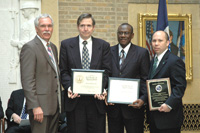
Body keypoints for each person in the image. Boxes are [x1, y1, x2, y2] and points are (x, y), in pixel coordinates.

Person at [59, 13, 111, 133]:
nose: (85, 28)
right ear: (77, 27)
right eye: (82, 25)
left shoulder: (103, 46)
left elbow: (107, 71)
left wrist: (101, 88)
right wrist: (69, 87)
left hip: (96, 101)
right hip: (75, 100)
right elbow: (63, 71)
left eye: (88, 25)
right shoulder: (66, 45)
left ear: (93, 27)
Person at [20, 14, 62, 133]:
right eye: (43, 26)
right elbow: (28, 80)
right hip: (40, 109)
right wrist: (35, 106)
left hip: (54, 107)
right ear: (36, 28)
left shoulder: (53, 48)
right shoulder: (30, 48)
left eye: (49, 26)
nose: (47, 29)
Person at [106, 23, 150, 133]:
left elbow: (145, 78)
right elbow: (105, 76)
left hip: (134, 108)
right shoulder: (108, 51)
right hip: (113, 108)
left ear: (132, 35)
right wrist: (106, 93)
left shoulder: (142, 53)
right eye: (120, 33)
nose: (123, 35)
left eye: (126, 33)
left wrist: (143, 99)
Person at [148, 31, 186, 133]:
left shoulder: (174, 61)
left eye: (160, 40)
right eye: (154, 41)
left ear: (168, 42)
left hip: (169, 118)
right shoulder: (152, 62)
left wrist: (169, 104)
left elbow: (180, 86)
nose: (156, 43)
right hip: (154, 118)